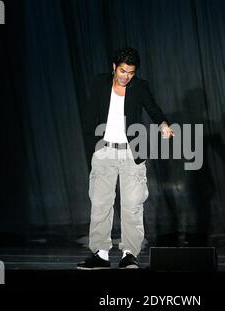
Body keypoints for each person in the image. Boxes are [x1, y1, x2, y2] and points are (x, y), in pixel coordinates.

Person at [77, 47, 174, 269]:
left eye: (130, 72)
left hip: (132, 152)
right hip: (104, 151)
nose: (125, 76)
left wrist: (163, 124)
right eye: (122, 71)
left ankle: (129, 254)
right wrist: (94, 148)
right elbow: (89, 116)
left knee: (132, 205)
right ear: (114, 67)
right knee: (100, 204)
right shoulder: (100, 83)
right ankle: (100, 255)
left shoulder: (139, 87)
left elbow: (153, 108)